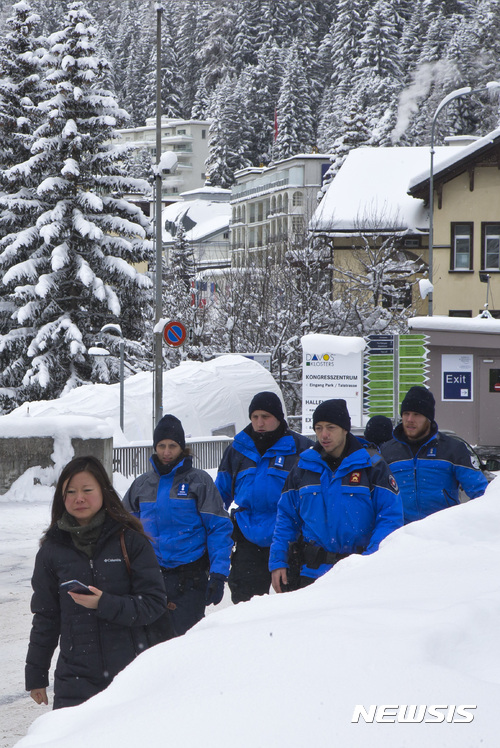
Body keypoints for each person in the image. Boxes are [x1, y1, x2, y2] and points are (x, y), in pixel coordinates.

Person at [26, 456, 168, 710]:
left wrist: (104, 603)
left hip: (132, 674)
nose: (79, 498)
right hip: (75, 679)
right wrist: (36, 675)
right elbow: (46, 617)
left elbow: (154, 604)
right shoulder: (51, 551)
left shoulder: (131, 541)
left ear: (103, 492)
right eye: (70, 492)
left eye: (87, 490)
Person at [269, 399, 403, 592]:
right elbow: (286, 518)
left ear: (345, 429)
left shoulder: (372, 466)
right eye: (319, 428)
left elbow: (390, 517)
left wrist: (372, 560)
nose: (324, 435)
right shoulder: (302, 467)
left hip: (359, 574)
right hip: (312, 574)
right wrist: (278, 560)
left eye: (330, 427)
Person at [123, 414, 233, 636]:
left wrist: (218, 574)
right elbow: (125, 529)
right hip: (152, 578)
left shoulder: (199, 481)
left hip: (190, 579)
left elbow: (218, 529)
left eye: (172, 446)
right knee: (151, 644)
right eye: (161, 446)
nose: (166, 452)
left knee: (185, 642)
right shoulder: (141, 485)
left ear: (182, 448)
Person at [216, 391, 314, 603]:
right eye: (255, 417)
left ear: (278, 418)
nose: (259, 422)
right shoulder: (237, 449)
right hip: (248, 539)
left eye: (266, 417)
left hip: (289, 539)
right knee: (245, 608)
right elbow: (218, 498)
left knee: (291, 606)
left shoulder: (301, 449)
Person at [380, 385, 488, 524]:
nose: (410, 419)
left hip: (442, 533)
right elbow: (377, 498)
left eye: (416, 414)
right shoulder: (387, 451)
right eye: (406, 413)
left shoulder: (452, 449)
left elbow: (480, 493)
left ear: (428, 418)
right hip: (401, 535)